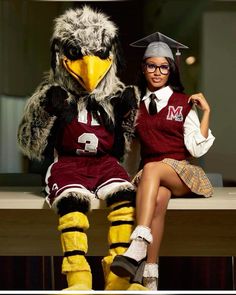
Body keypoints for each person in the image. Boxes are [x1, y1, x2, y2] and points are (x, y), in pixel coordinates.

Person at [17, 6, 146, 291]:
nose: (90, 65)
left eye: (100, 54)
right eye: (77, 54)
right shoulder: (51, 94)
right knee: (72, 207)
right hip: (68, 164)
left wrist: (127, 114)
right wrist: (47, 111)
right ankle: (78, 277)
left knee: (125, 200)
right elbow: (30, 143)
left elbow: (123, 146)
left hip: (104, 164)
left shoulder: (116, 96)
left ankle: (118, 276)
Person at [110, 32, 215, 290]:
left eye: (163, 67)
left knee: (153, 168)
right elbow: (132, 152)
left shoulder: (183, 103)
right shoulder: (136, 107)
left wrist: (206, 113)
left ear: (171, 70)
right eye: (151, 66)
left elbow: (196, 150)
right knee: (158, 198)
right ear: (144, 69)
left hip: (182, 173)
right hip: (152, 178)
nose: (157, 72)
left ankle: (137, 245)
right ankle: (151, 275)